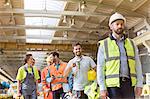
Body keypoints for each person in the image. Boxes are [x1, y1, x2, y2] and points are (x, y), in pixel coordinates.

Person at [97, 12, 143, 99]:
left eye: (121, 24)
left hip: (129, 84)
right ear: (111, 26)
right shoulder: (104, 44)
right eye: (117, 24)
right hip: (113, 86)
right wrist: (102, 87)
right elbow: (100, 67)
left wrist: (139, 84)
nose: (119, 26)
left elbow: (137, 65)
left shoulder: (131, 43)